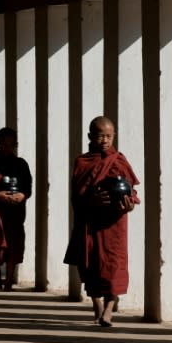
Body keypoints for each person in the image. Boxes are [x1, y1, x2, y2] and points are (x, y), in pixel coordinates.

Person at [64, 116, 141, 327]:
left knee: (113, 267)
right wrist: (91, 199)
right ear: (90, 136)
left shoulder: (119, 160)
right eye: (100, 136)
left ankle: (108, 310)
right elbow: (76, 195)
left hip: (113, 224)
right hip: (90, 222)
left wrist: (130, 204)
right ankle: (97, 305)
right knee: (91, 267)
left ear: (114, 136)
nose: (105, 141)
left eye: (109, 136)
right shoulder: (82, 162)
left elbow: (131, 191)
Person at [0, 127, 33, 291]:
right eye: (4, 145)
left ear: (16, 145)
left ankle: (9, 279)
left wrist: (23, 196)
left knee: (14, 243)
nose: (7, 148)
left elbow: (27, 185)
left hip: (14, 212)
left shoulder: (21, 164)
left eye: (11, 145)